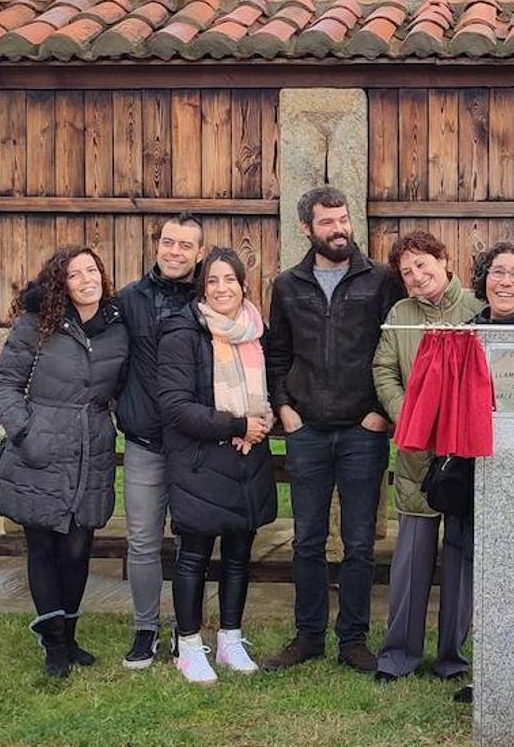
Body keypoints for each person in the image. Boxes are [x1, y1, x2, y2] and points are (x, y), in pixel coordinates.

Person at [262, 186, 398, 673]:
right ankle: (308, 636)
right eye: (328, 222)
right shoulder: (287, 285)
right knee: (307, 539)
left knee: (360, 541)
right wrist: (284, 408)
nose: (340, 229)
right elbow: (277, 353)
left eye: (343, 219)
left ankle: (354, 639)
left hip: (364, 429)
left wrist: (382, 411)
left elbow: (394, 348)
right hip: (308, 430)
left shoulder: (380, 278)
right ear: (306, 228)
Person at [0, 246, 129, 679]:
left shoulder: (116, 327)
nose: (87, 279)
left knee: (77, 548)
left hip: (92, 447)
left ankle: (69, 635)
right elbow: (5, 383)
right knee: (44, 545)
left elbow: (126, 386)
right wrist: (25, 432)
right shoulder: (36, 325)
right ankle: (53, 645)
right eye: (75, 274)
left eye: (93, 270)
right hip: (41, 446)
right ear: (60, 283)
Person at [436, 240, 514, 705]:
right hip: (475, 471)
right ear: (485, 280)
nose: (505, 281)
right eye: (497, 272)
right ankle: (488, 673)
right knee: (484, 577)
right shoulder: (467, 333)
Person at [158, 246, 277, 684]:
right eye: (213, 281)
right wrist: (237, 424)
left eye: (230, 280)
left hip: (248, 457)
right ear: (201, 287)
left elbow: (270, 389)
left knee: (239, 556)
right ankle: (188, 645)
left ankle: (230, 638)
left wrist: (260, 422)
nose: (222, 288)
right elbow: (174, 406)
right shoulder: (182, 333)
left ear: (243, 285)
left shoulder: (255, 331)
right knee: (194, 555)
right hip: (200, 460)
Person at [372, 231, 484, 684]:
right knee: (412, 560)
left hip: (463, 456)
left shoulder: (478, 309)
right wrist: (408, 416)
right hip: (418, 453)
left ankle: (452, 657)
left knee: (460, 559)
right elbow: (384, 368)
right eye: (407, 272)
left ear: (443, 258)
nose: (418, 277)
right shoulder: (400, 314)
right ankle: (398, 656)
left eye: (423, 265)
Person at [116, 212, 206, 668]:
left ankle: (185, 630)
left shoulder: (212, 299)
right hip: (145, 441)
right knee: (143, 541)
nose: (175, 252)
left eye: (185, 245)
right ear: (157, 246)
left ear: (199, 253)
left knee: (193, 540)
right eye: (169, 242)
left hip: (195, 446)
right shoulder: (129, 300)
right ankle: (145, 628)